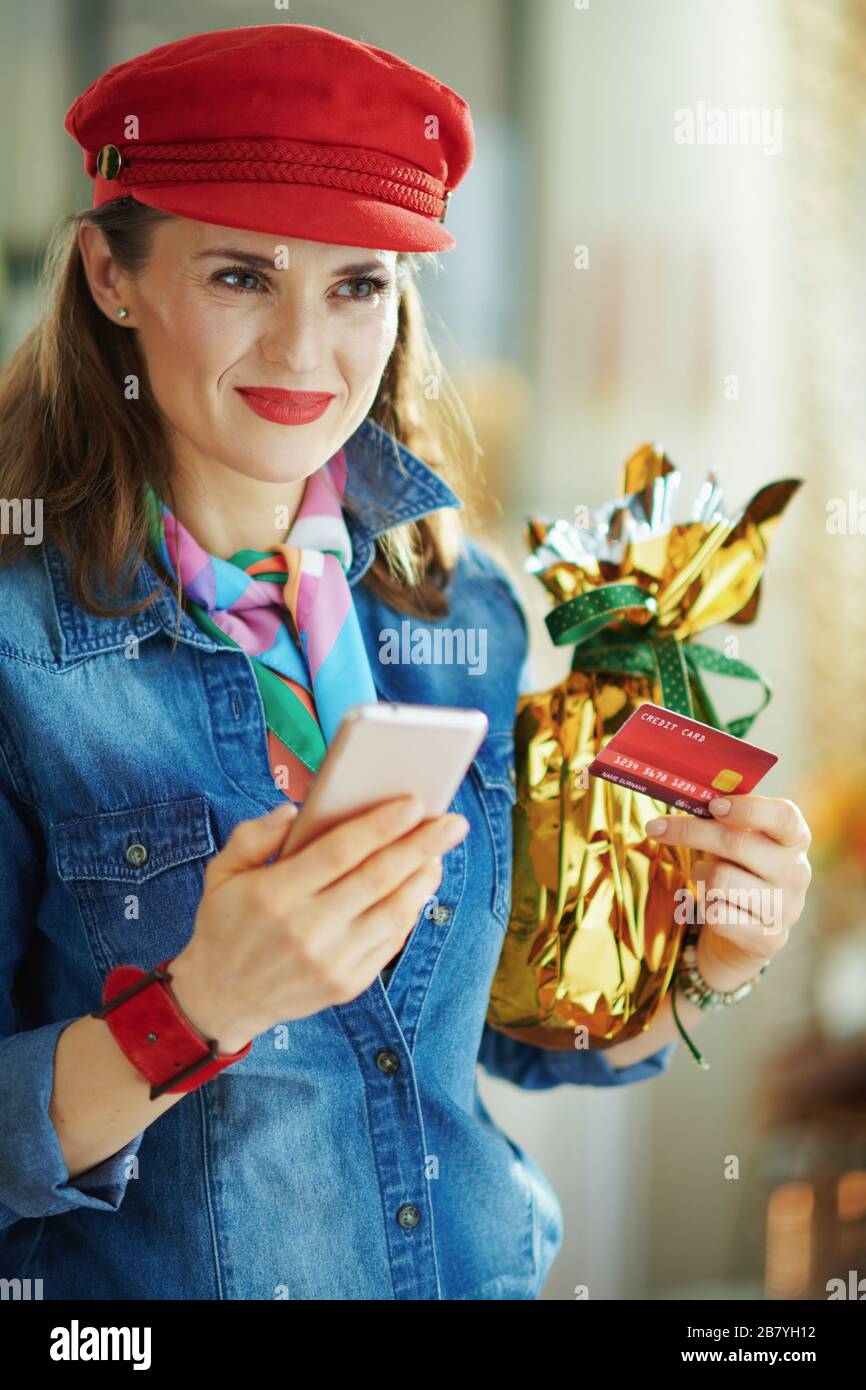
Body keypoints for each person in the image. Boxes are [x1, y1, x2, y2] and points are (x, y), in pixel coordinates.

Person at [0, 24, 811, 1301]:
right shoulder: (16, 647)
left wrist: (709, 957)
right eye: (237, 277)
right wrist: (197, 1006)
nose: (302, 354)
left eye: (355, 286)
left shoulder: (458, 611)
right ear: (110, 273)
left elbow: (508, 1036)